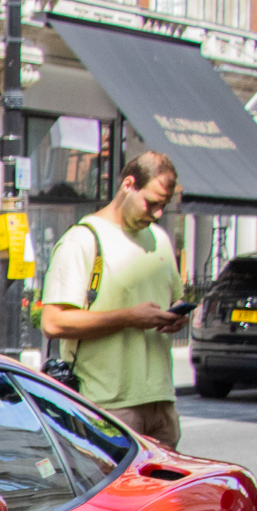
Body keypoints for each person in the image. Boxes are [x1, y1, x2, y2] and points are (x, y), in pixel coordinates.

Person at [38, 152, 189, 448]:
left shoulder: (160, 239)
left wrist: (177, 318)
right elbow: (53, 322)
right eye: (152, 202)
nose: (158, 213)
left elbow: (172, 301)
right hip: (107, 405)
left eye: (164, 205)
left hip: (160, 402)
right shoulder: (82, 240)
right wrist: (130, 318)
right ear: (128, 185)